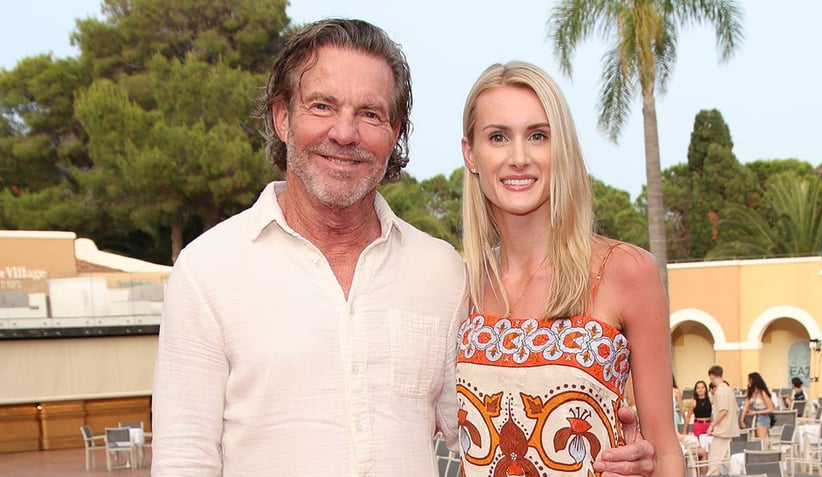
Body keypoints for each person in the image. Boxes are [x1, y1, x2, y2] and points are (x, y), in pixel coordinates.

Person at [151, 19, 655, 476]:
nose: (344, 133)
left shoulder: (441, 273)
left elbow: (489, 434)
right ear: (283, 118)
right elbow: (183, 460)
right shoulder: (207, 271)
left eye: (370, 114)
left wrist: (618, 453)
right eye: (322, 105)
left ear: (394, 134)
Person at [455, 61, 683, 476]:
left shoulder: (626, 272)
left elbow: (665, 451)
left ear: (561, 148)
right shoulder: (460, 284)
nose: (519, 157)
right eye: (498, 137)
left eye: (538, 136)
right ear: (471, 153)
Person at [706, 365, 740, 475]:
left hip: (722, 431)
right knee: (725, 460)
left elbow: (723, 411)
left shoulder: (721, 391)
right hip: (728, 429)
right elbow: (735, 410)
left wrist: (712, 425)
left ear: (711, 376)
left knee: (714, 462)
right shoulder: (729, 390)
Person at [739, 371, 775, 439]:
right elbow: (746, 406)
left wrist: (757, 412)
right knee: (754, 438)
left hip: (763, 417)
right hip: (753, 418)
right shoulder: (751, 393)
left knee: (761, 440)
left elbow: (771, 408)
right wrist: (742, 419)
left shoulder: (762, 393)